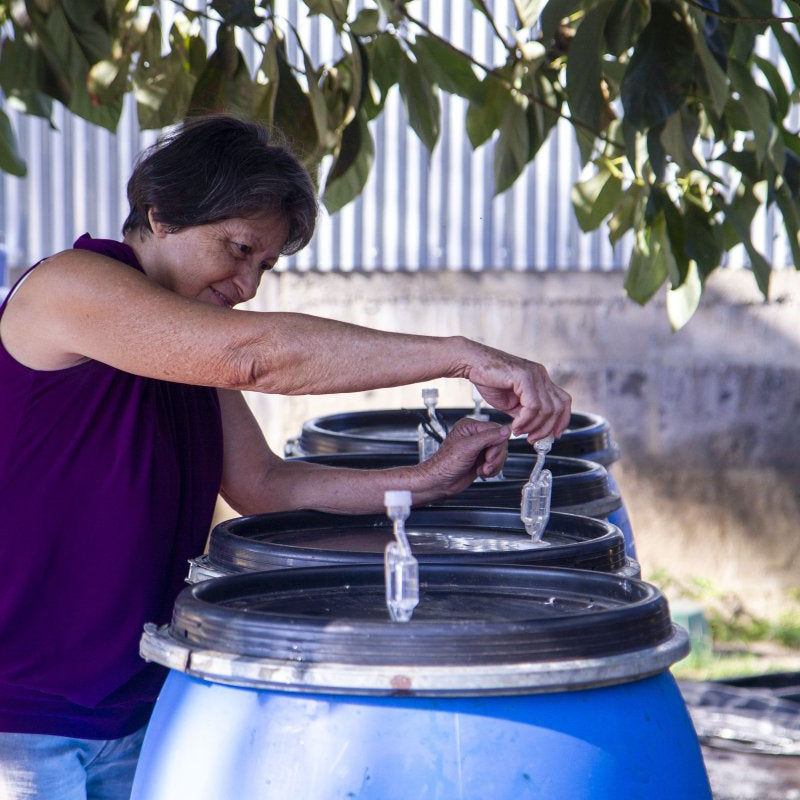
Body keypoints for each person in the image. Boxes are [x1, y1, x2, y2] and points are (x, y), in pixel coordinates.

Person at [0, 114, 571, 799]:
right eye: (237, 249)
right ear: (162, 216)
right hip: (22, 717)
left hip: (140, 699)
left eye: (265, 265)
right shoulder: (68, 287)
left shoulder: (183, 351)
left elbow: (264, 485)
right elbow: (254, 357)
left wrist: (422, 482)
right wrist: (460, 355)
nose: (248, 285)